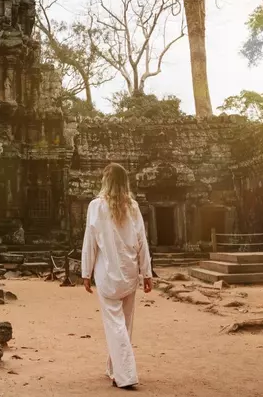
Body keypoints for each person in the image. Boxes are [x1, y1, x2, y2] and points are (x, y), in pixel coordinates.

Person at [81, 163, 152, 390]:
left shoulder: (96, 206)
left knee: (115, 326)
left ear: (106, 181)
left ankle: (126, 375)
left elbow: (89, 242)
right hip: (130, 273)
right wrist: (146, 272)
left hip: (108, 275)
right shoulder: (133, 207)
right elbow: (142, 242)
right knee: (125, 325)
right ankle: (114, 368)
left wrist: (86, 272)